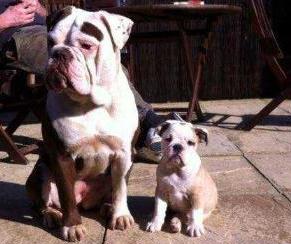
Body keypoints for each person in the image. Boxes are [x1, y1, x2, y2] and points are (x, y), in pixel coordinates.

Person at [0, 0, 182, 162]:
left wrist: (37, 8)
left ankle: (140, 131)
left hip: (48, 32)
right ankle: (149, 124)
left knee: (108, 62)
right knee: (94, 64)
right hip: (16, 39)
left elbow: (46, 17)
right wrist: (6, 20)